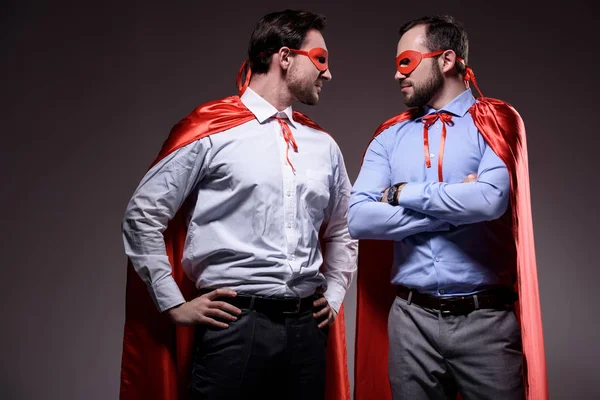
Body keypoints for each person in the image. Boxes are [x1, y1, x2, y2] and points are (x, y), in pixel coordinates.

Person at [120, 9, 357, 400]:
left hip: (306, 331)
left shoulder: (323, 146)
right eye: (320, 59)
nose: (327, 74)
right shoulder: (210, 131)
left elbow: (345, 227)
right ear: (284, 57)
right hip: (235, 327)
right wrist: (173, 304)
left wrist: (333, 295)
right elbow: (142, 214)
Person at [349, 15, 547, 400]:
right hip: (411, 323)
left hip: (486, 323)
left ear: (447, 59)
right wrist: (454, 208)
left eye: (406, 61)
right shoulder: (389, 137)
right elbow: (357, 219)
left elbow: (490, 200)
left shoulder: (497, 122)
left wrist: (400, 192)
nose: (396, 74)